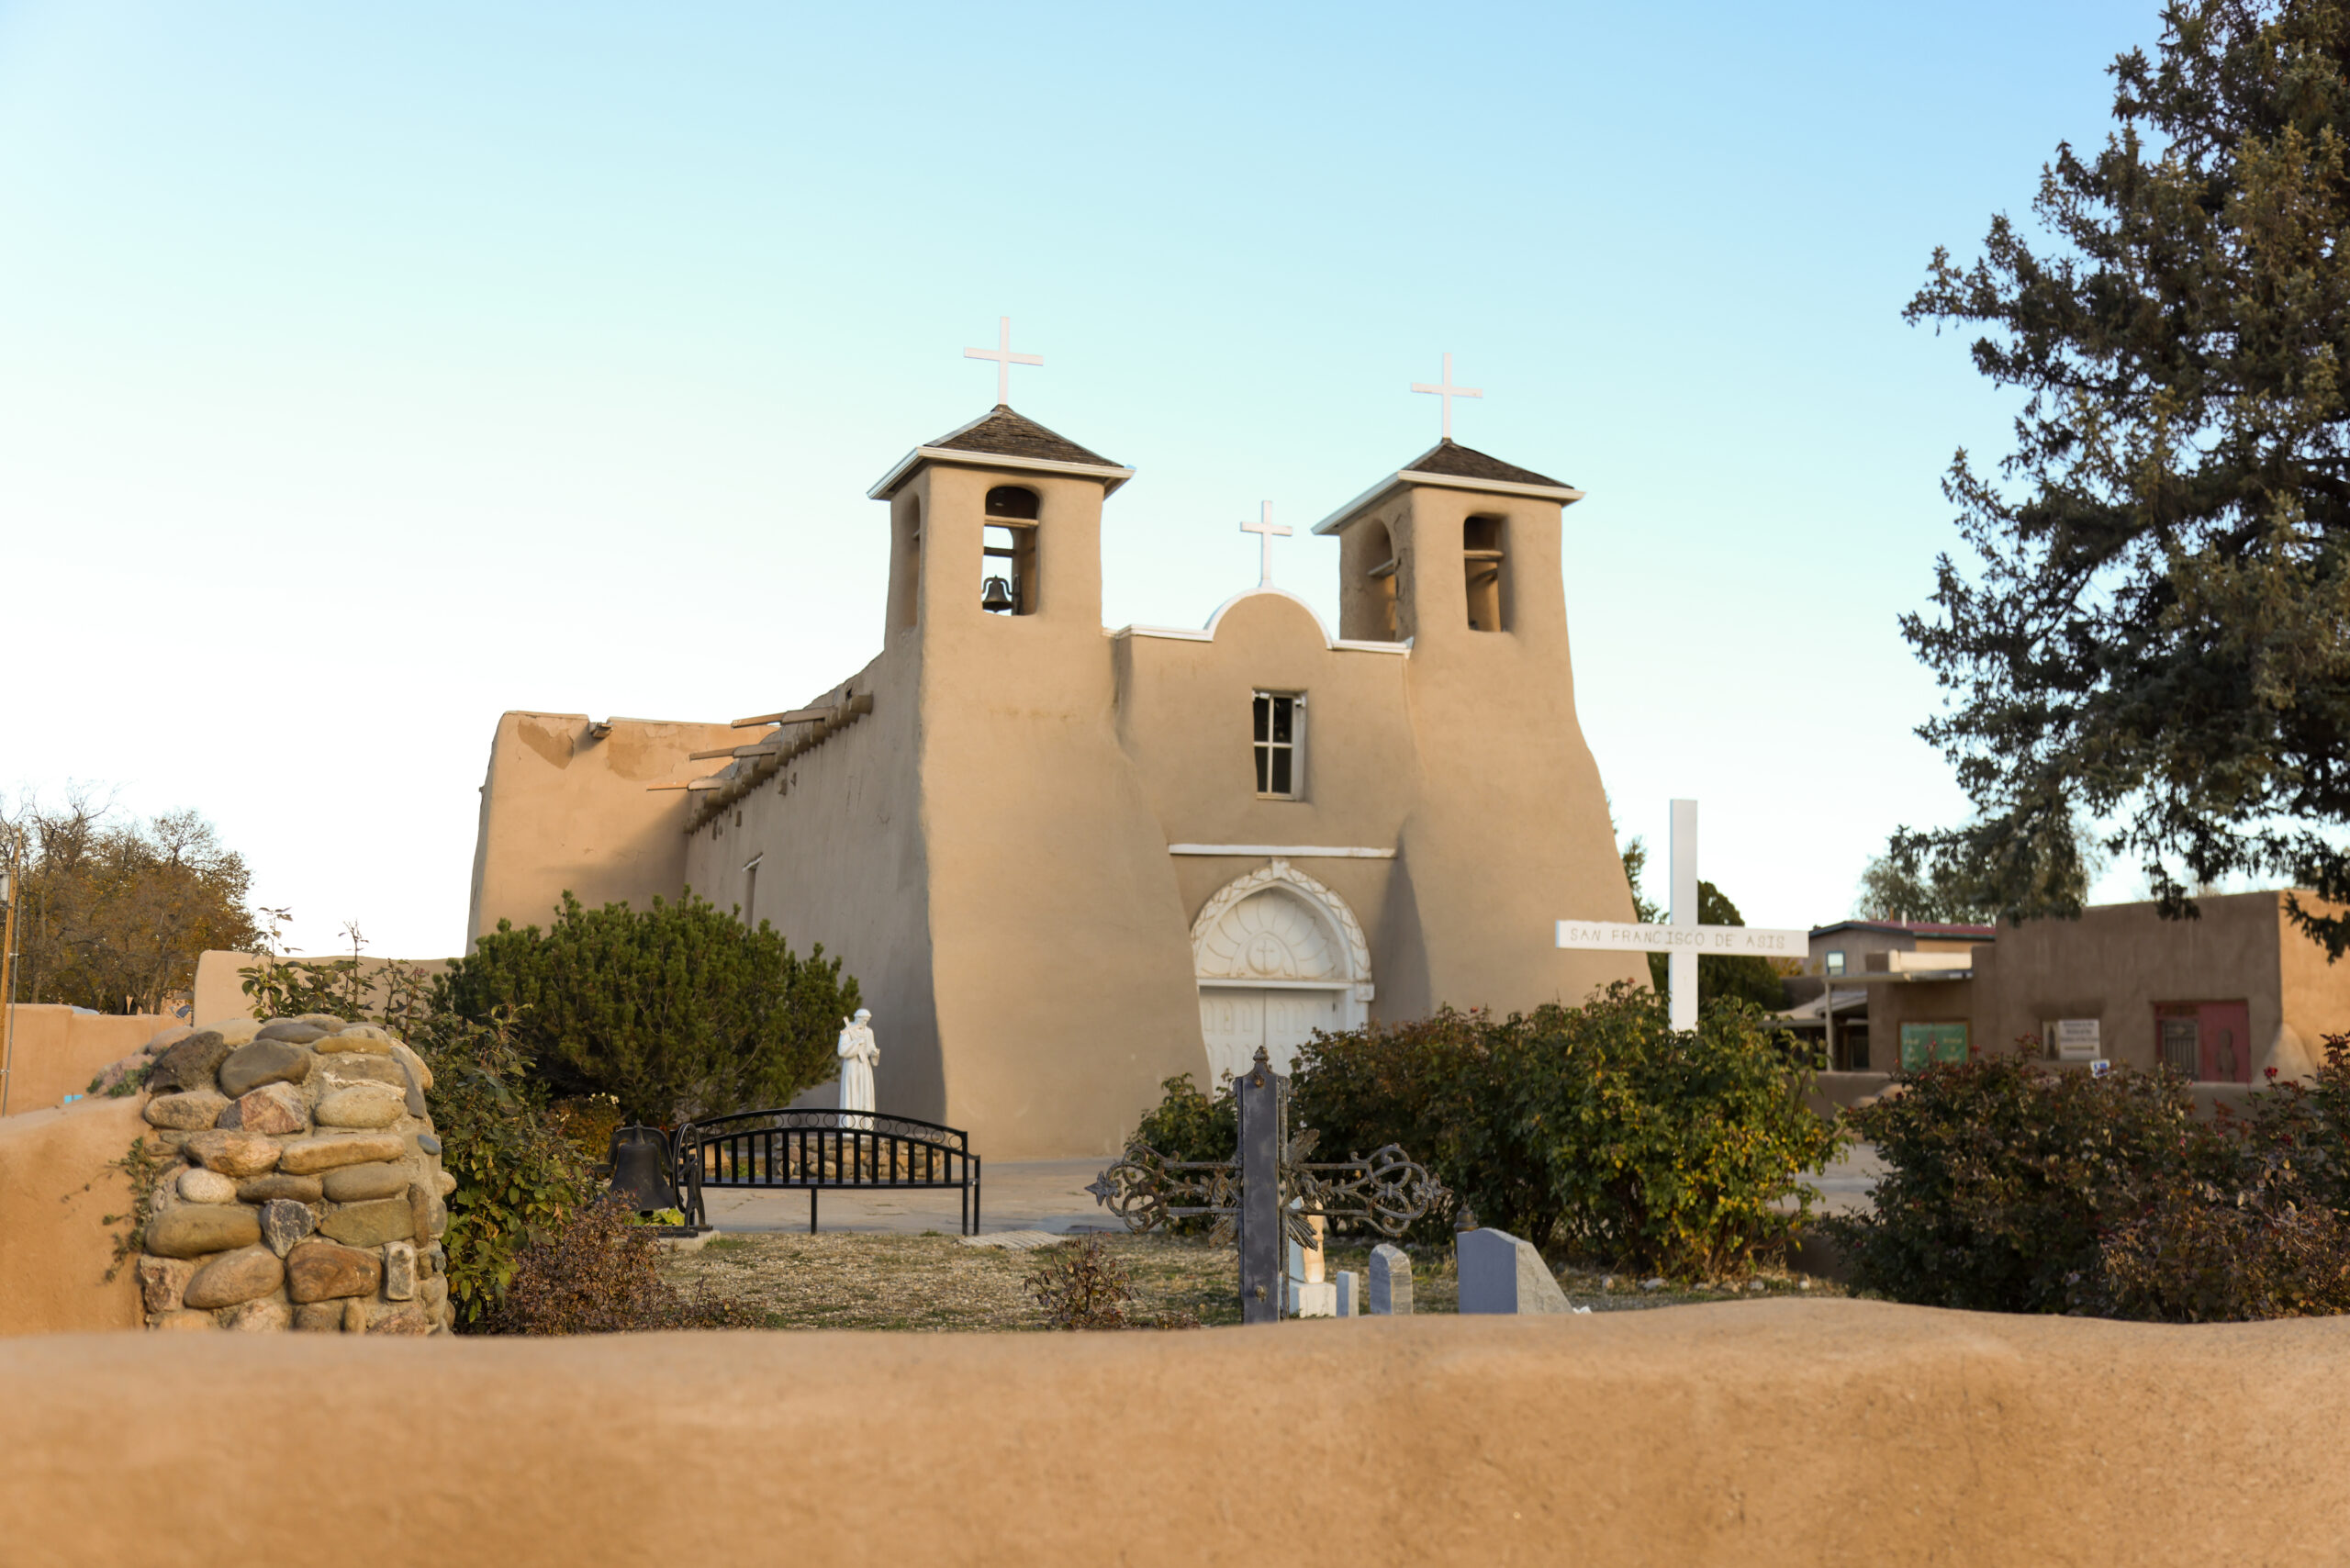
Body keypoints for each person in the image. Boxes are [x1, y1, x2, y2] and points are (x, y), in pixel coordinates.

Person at [836, 1009, 878, 1130]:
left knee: (865, 1095)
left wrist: (874, 1053)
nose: (865, 1023)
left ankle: (865, 1128)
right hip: (852, 1067)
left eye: (867, 1020)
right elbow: (842, 1050)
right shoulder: (848, 1031)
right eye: (863, 1020)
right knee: (852, 1094)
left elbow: (870, 1048)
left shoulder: (869, 1032)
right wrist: (856, 1044)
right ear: (857, 1018)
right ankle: (850, 1128)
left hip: (864, 1067)